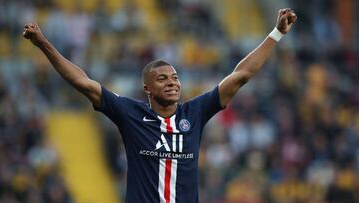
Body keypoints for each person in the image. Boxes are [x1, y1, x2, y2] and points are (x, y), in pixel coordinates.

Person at [23, 8, 297, 203]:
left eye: (175, 78)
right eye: (162, 78)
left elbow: (240, 75)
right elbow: (83, 82)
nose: (172, 83)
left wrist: (276, 34)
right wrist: (43, 44)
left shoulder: (195, 112)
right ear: (147, 89)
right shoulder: (130, 112)